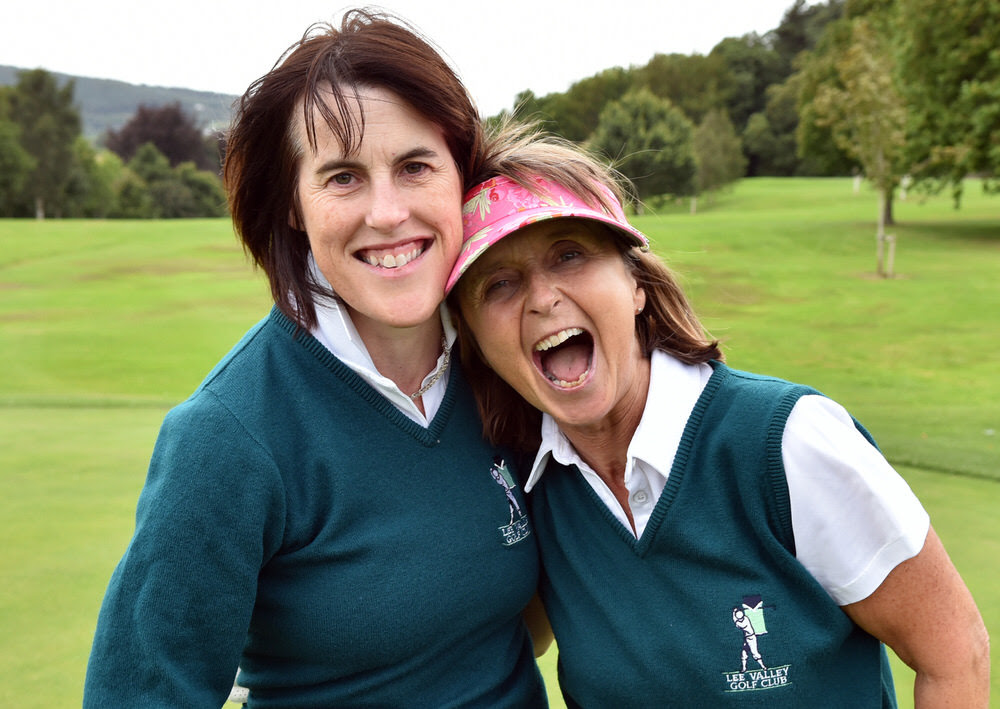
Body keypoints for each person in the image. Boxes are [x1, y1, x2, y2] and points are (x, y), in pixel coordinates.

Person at [83, 12, 548, 708]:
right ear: (295, 206)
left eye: (415, 166)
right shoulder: (227, 436)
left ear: (460, 177)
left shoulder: (509, 365)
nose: (388, 212)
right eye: (342, 178)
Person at [446, 129, 990, 708]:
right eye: (498, 284)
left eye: (570, 255)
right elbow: (488, 647)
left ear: (636, 285)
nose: (541, 298)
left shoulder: (789, 441)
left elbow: (956, 655)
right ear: (475, 340)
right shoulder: (525, 492)